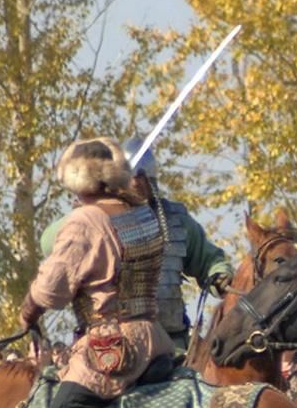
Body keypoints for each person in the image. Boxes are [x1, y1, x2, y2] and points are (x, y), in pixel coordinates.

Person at [21, 137, 198, 408]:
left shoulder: (85, 222)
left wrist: (27, 312)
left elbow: (53, 287)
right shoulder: (143, 214)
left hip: (112, 350)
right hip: (154, 342)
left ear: (83, 180)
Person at [39, 139, 232, 354]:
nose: (137, 183)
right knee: (52, 387)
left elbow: (209, 259)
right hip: (109, 346)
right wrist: (86, 213)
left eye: (142, 177)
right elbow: (48, 242)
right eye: (131, 177)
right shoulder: (95, 219)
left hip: (173, 345)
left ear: (152, 179)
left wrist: (220, 275)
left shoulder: (175, 220)